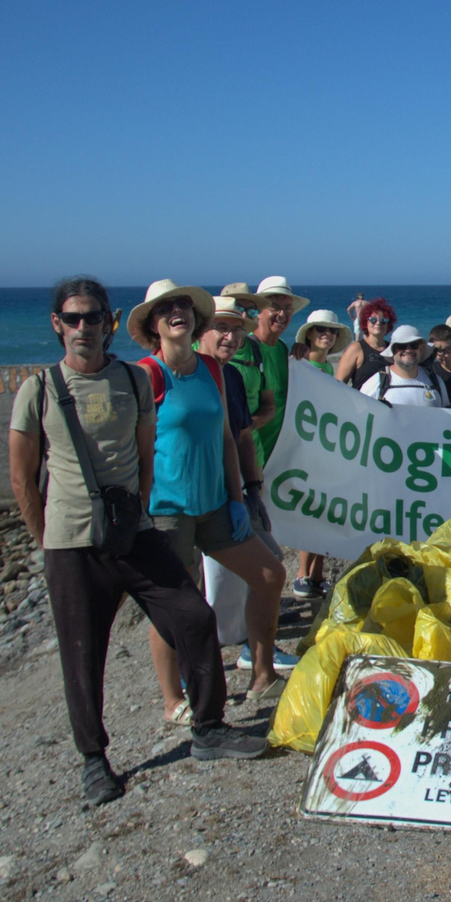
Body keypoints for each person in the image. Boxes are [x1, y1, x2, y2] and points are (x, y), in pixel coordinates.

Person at [9, 277, 265, 806]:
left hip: (136, 531)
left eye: (93, 317)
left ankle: (209, 728)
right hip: (70, 544)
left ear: (109, 319)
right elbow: (22, 477)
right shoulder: (39, 389)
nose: (85, 327)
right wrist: (46, 542)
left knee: (194, 616)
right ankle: (93, 760)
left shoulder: (130, 379)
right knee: (84, 655)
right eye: (74, 318)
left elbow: (146, 455)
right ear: (57, 324)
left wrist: (144, 510)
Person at [127, 281, 291, 711]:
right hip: (167, 512)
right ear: (153, 324)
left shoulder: (214, 370)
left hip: (216, 505)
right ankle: (173, 700)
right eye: (167, 308)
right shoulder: (147, 374)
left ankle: (262, 676)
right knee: (177, 604)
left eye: (184, 305)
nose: (177, 311)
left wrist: (238, 499)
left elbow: (225, 439)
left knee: (270, 575)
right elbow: (133, 447)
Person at [195, 296, 292, 668]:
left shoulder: (232, 376)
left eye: (237, 330)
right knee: (198, 584)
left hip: (233, 488)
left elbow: (243, 436)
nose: (231, 337)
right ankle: (194, 669)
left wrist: (251, 491)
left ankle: (253, 650)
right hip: (192, 493)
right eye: (222, 328)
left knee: (267, 565)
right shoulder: (184, 374)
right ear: (201, 330)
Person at [288, 309, 350, 597]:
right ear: (310, 334)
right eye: (321, 329)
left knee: (326, 508)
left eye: (332, 331)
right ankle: (301, 573)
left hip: (326, 446)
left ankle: (317, 574)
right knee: (311, 508)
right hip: (305, 447)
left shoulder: (327, 369)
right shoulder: (298, 363)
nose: (327, 334)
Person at [240, 276, 308, 468]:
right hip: (249, 457)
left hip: (277, 459)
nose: (282, 314)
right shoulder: (243, 349)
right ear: (258, 312)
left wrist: (304, 357)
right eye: (274, 306)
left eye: (287, 308)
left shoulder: (283, 350)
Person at [219, 284, 276, 447]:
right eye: (237, 307)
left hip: (249, 446)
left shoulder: (259, 351)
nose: (243, 314)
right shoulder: (196, 347)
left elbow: (269, 406)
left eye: (251, 311)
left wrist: (247, 426)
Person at [362, 325, 448, 407]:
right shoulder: (377, 384)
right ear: (393, 350)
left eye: (413, 345)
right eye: (401, 346)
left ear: (421, 349)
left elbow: (447, 416)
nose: (408, 350)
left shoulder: (436, 381)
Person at [335, 297, 396, 390]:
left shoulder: (392, 349)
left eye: (383, 321)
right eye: (373, 320)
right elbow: (339, 384)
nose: (378, 323)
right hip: (360, 401)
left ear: (388, 325)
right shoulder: (356, 348)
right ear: (365, 323)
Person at [293, 309, 351, 376]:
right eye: (321, 328)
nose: (328, 333)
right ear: (309, 334)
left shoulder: (329, 366)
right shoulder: (301, 364)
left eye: (333, 330)